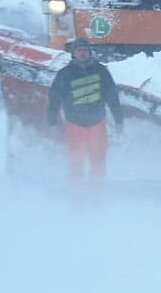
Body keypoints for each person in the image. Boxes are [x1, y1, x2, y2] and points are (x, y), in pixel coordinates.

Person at [46, 38, 123, 186]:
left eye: (85, 50)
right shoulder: (65, 74)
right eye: (79, 50)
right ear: (74, 54)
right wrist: (51, 121)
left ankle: (96, 199)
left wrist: (119, 120)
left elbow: (112, 97)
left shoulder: (101, 71)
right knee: (76, 162)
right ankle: (78, 201)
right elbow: (54, 98)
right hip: (74, 125)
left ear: (90, 52)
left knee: (98, 161)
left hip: (97, 124)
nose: (82, 53)